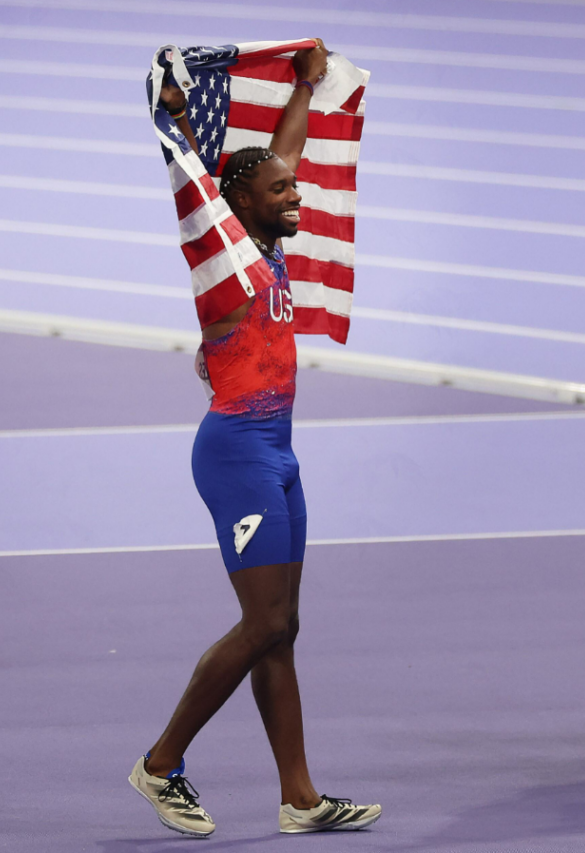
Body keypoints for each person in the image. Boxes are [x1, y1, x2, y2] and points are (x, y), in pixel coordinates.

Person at [129, 39, 382, 837]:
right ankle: (160, 763)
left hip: (279, 455)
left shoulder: (267, 249)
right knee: (264, 622)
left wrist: (304, 89)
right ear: (241, 207)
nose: (296, 192)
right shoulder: (221, 258)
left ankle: (301, 798)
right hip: (237, 451)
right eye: (281, 191)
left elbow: (281, 152)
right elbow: (199, 188)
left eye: (294, 186)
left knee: (283, 624)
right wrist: (173, 120)